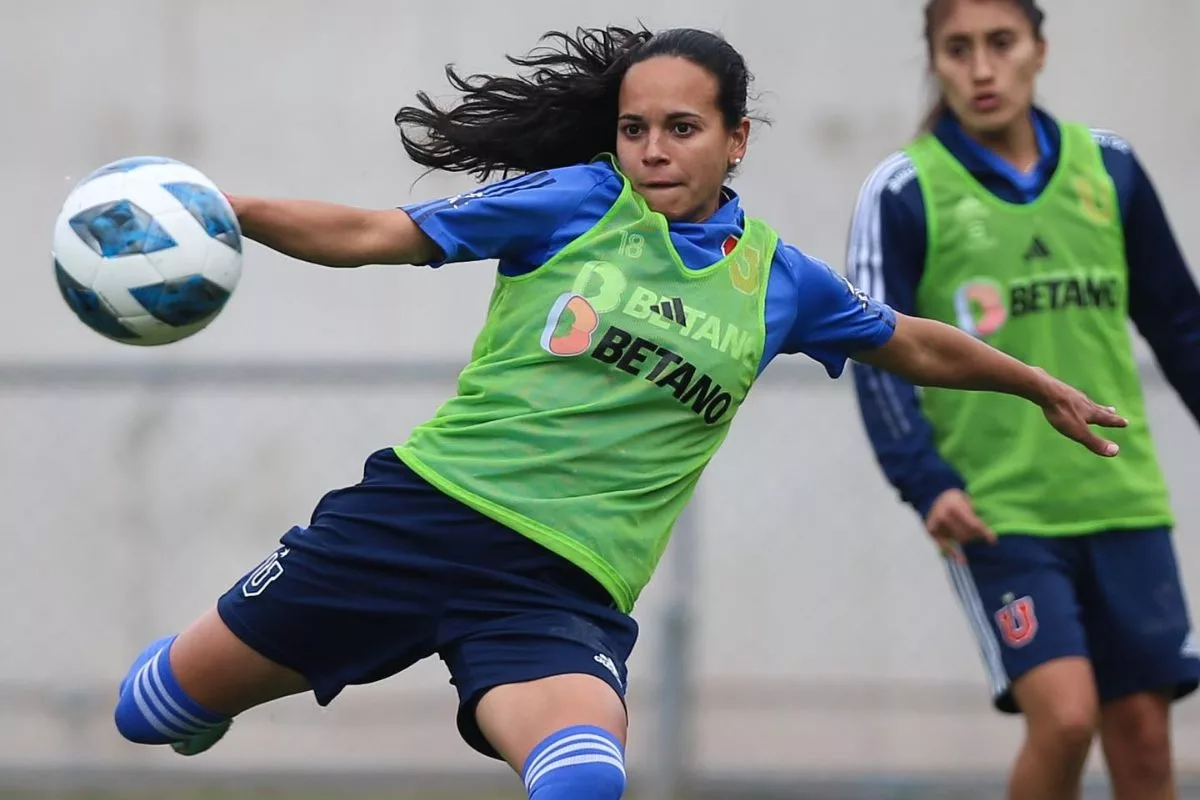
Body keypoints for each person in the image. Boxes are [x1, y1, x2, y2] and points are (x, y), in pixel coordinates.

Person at [112, 25, 1125, 800]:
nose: (652, 149)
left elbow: (912, 340)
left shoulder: (780, 280)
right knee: (144, 712)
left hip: (559, 584)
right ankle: (207, 703)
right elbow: (377, 233)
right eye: (635, 129)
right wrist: (229, 211)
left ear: (736, 139)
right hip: (414, 520)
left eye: (682, 128)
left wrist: (1038, 383)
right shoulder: (575, 202)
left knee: (587, 776)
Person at [848, 1, 1200, 798]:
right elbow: (873, 352)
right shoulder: (904, 189)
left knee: (1145, 740)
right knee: (1066, 718)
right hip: (999, 510)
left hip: (1122, 495)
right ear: (934, 61)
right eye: (958, 48)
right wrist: (927, 482)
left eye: (1001, 43)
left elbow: (1181, 323)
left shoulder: (1110, 167)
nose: (981, 68)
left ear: (1039, 49)